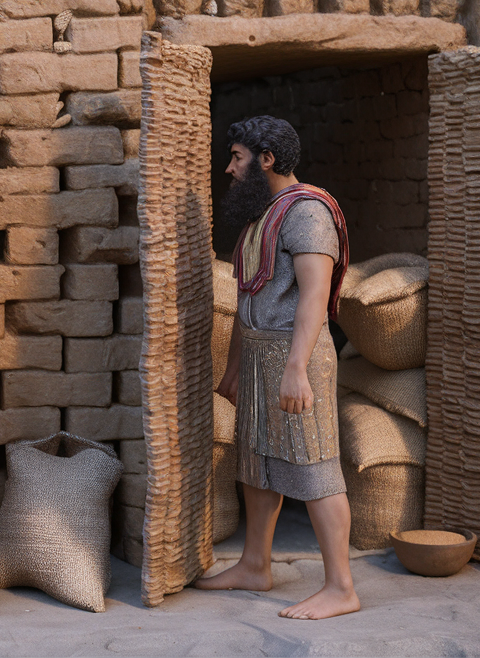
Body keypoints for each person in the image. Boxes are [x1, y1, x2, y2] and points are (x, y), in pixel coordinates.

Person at [194, 116, 358, 620]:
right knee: (256, 461)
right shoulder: (263, 215)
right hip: (263, 356)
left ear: (266, 159)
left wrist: (296, 368)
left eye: (237, 158)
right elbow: (251, 296)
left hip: (297, 355)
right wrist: (235, 365)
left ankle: (341, 588)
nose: (229, 168)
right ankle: (254, 565)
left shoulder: (307, 212)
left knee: (314, 464)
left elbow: (313, 295)